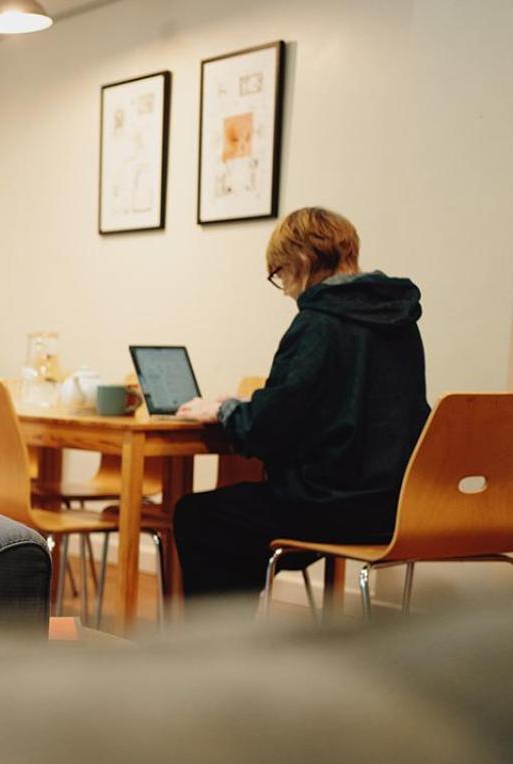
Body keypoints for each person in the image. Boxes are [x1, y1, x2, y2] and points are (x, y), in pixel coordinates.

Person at [172, 206, 430, 597]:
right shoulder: (400, 321)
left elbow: (268, 429)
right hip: (394, 507)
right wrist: (249, 404)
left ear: (303, 260)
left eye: (281, 274)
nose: (286, 291)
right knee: (237, 520)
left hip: (328, 507)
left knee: (198, 516)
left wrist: (225, 410)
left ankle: (221, 636)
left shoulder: (318, 322)